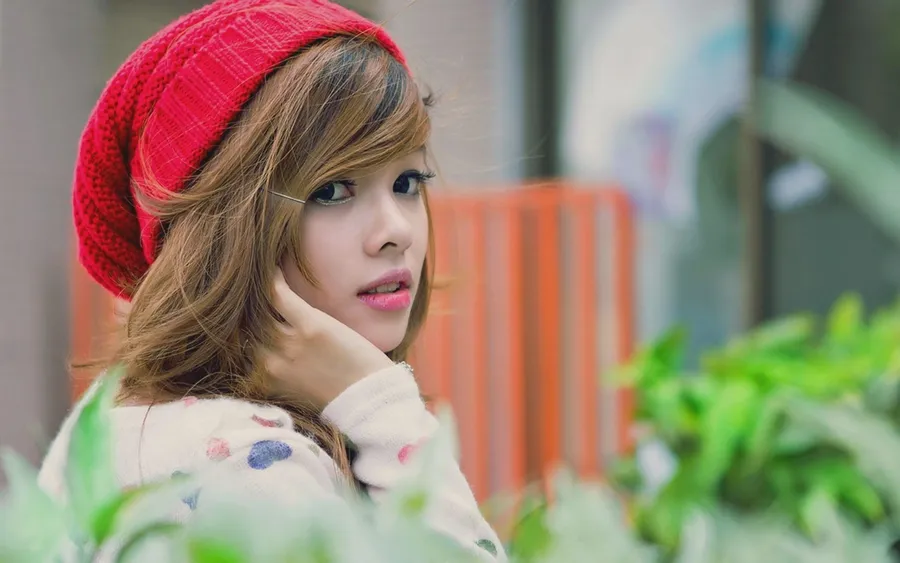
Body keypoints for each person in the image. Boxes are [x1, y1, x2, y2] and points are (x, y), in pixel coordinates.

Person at [36, 1, 505, 560]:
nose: (396, 231)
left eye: (407, 182)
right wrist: (381, 408)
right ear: (225, 225)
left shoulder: (109, 421)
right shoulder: (253, 467)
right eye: (332, 191)